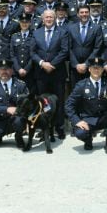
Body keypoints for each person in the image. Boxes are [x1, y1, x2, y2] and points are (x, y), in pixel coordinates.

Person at [65, 57, 107, 153]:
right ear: (89, 69)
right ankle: (88, 140)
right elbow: (68, 105)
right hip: (87, 119)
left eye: (99, 68)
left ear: (102, 69)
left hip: (103, 118)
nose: (96, 70)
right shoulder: (81, 85)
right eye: (94, 67)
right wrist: (77, 121)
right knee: (80, 133)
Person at [32, 9, 70, 138]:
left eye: (51, 17)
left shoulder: (63, 32)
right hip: (41, 73)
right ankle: (45, 128)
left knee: (58, 102)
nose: (49, 19)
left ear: (55, 19)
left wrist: (52, 64)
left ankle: (59, 128)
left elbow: (64, 51)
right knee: (43, 102)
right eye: (46, 17)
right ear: (43, 19)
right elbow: (32, 52)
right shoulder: (36, 33)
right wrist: (42, 63)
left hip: (57, 72)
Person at [68, 5, 104, 87]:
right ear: (77, 14)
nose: (84, 14)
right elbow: (68, 48)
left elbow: (97, 48)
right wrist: (76, 64)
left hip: (90, 67)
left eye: (86, 12)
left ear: (89, 13)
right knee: (75, 91)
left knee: (90, 91)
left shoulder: (96, 28)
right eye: (82, 12)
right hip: (75, 67)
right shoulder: (71, 28)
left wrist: (86, 64)